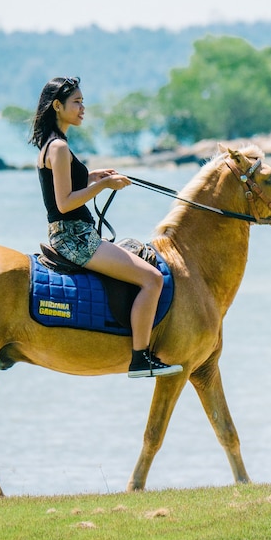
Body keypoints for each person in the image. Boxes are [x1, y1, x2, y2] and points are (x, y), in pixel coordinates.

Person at [30, 76, 182, 379]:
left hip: (70, 234)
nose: (83, 107)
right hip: (74, 238)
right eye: (77, 102)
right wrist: (105, 185)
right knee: (152, 279)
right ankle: (140, 357)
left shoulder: (53, 144)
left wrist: (93, 177)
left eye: (83, 101)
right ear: (58, 106)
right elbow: (64, 203)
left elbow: (65, 186)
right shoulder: (59, 147)